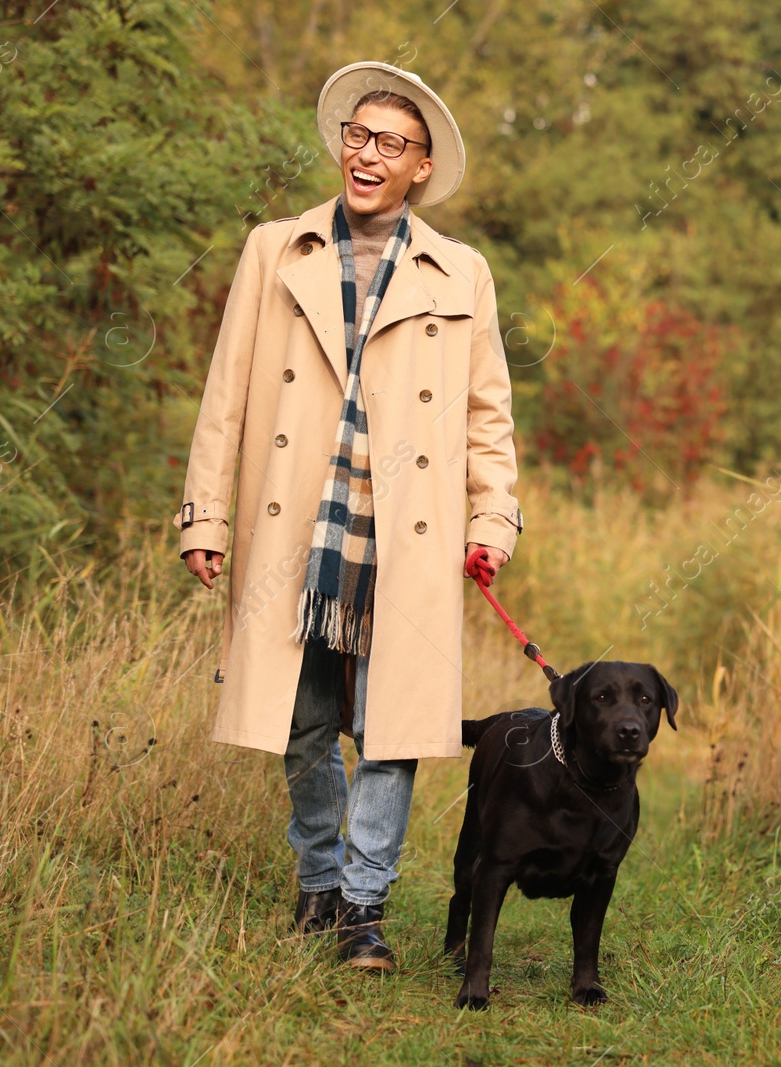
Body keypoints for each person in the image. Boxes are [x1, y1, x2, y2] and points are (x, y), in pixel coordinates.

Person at [175, 61, 523, 973]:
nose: (366, 156)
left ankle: (364, 906)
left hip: (404, 531)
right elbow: (227, 393)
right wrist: (206, 514)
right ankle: (320, 884)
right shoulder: (274, 249)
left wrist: (493, 518)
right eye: (356, 137)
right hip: (296, 524)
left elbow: (489, 412)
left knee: (392, 724)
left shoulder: (464, 272)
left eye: (390, 145)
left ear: (420, 167)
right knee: (302, 719)